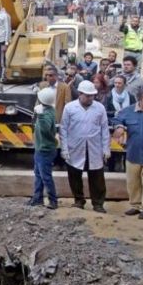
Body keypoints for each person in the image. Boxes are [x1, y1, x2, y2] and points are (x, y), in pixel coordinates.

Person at [59, 80, 111, 213]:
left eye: (92, 95)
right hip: (75, 148)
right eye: (87, 96)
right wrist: (64, 149)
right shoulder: (70, 108)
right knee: (74, 175)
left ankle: (98, 203)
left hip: (94, 148)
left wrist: (106, 148)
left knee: (97, 177)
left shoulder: (99, 108)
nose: (90, 98)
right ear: (80, 94)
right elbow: (63, 129)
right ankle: (79, 200)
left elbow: (104, 129)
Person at [112, 87, 143, 220]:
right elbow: (116, 120)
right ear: (139, 99)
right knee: (133, 182)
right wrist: (119, 127)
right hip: (133, 153)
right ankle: (135, 206)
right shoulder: (128, 111)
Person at [28, 88, 58, 209]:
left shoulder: (47, 113)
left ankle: (53, 201)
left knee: (45, 176)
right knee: (39, 175)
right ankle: (37, 198)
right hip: (40, 148)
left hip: (45, 150)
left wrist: (40, 116)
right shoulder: (48, 109)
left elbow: (45, 129)